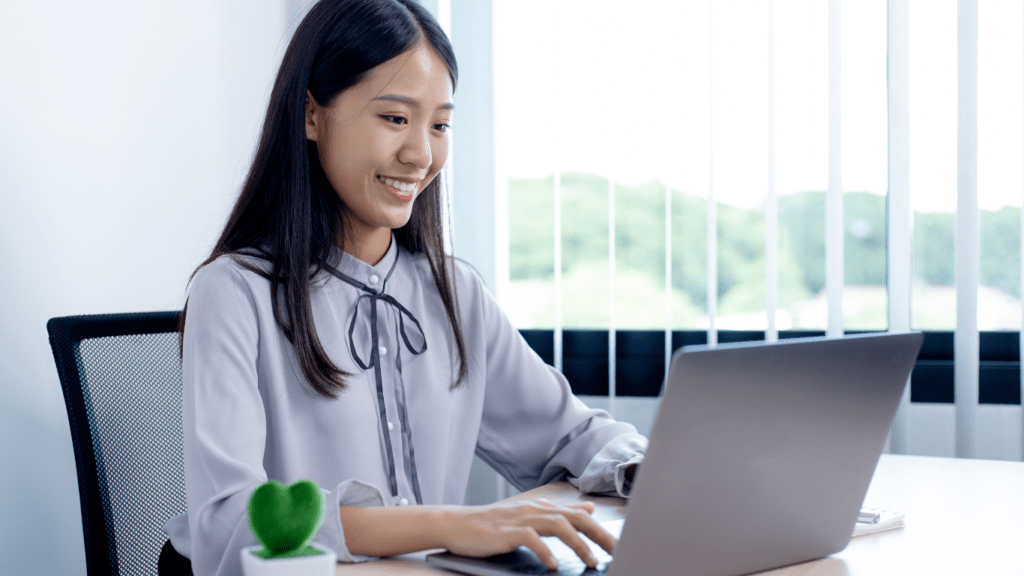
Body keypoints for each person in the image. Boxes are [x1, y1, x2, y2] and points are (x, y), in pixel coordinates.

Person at [159, 1, 648, 575]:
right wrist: (449, 524)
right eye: (395, 118)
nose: (421, 154)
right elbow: (228, 523)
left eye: (439, 124)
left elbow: (571, 436)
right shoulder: (234, 294)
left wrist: (661, 473)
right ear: (312, 115)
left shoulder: (454, 292)